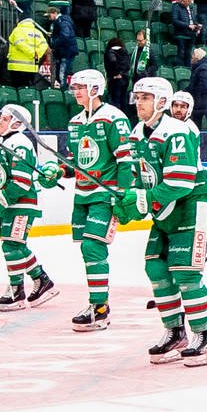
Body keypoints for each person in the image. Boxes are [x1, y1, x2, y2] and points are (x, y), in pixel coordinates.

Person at [124, 75, 207, 366]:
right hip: (165, 210)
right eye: (137, 98)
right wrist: (129, 201)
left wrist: (142, 199)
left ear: (161, 102)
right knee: (155, 266)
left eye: (145, 98)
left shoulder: (177, 131)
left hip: (192, 206)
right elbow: (142, 176)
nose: (139, 103)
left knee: (186, 273)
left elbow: (180, 182)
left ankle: (204, 336)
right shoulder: (138, 132)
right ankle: (175, 332)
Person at [63, 68, 134, 332]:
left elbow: (126, 160)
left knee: (93, 247)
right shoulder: (75, 122)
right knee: (85, 247)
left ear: (95, 88)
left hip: (105, 193)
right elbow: (75, 162)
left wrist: (123, 195)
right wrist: (57, 171)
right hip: (81, 194)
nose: (76, 92)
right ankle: (97, 303)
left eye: (81, 87)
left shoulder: (114, 118)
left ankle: (100, 307)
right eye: (75, 87)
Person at [0, 104, 58, 311]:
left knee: (12, 245)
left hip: (23, 203)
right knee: (13, 245)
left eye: (5, 118)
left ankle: (18, 290)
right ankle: (40, 280)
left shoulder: (19, 143)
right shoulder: (5, 142)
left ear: (17, 123)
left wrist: (1, 199)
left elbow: (22, 182)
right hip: (14, 203)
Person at [4, 14, 48, 87]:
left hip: (17, 67)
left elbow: (20, 44)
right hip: (32, 67)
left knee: (17, 92)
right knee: (28, 92)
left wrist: (32, 53)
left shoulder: (17, 30)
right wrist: (37, 54)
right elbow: (44, 45)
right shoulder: (38, 32)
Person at [47, 5, 78, 88]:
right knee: (61, 74)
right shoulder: (64, 20)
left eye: (49, 15)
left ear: (54, 13)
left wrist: (54, 44)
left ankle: (63, 92)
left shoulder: (62, 21)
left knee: (62, 75)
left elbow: (65, 35)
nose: (49, 18)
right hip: (66, 51)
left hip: (65, 51)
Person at [187, 46, 207, 129]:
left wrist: (193, 93)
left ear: (197, 57)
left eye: (193, 55)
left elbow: (204, 86)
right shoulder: (200, 67)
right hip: (202, 102)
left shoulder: (203, 68)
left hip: (203, 103)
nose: (192, 56)